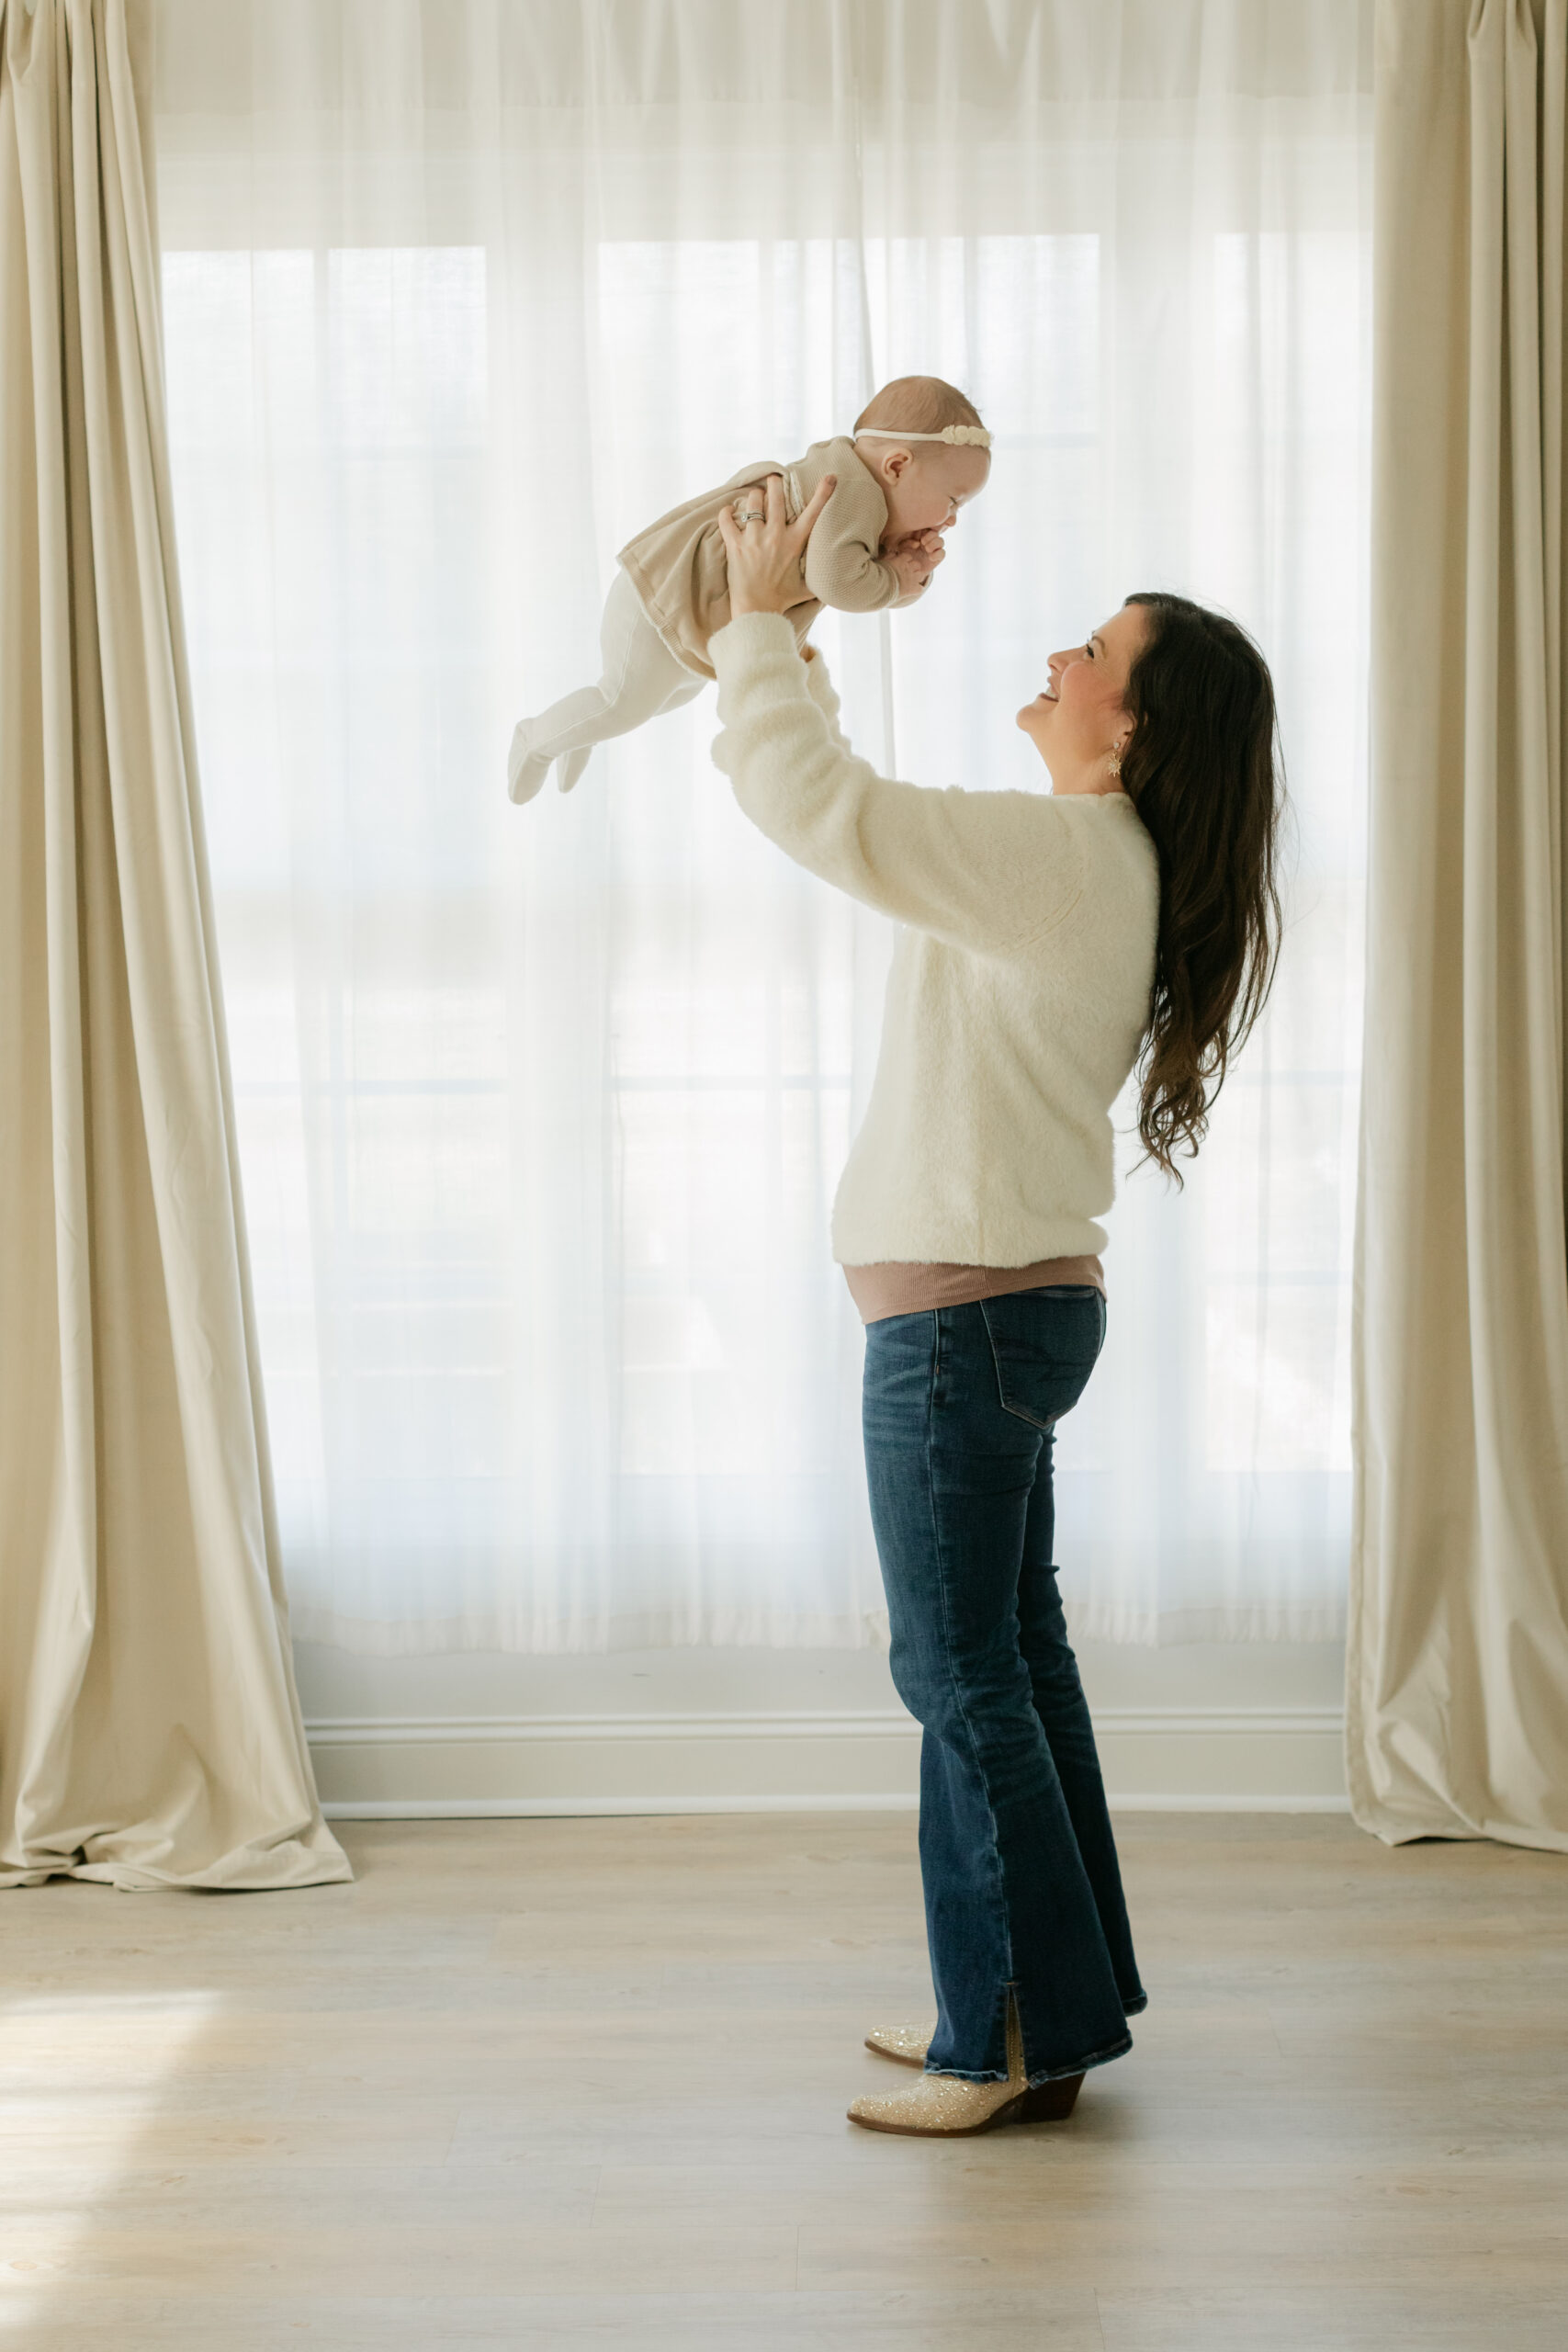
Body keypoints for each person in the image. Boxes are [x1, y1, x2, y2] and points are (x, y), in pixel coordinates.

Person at [707, 471, 1285, 2138]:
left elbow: (830, 818)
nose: (1059, 651)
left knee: (958, 1672)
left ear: (1138, 726)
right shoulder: (1070, 860)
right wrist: (788, 641)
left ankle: (1009, 2038)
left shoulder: (1065, 858)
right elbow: (863, 810)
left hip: (965, 1332)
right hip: (999, 1320)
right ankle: (1034, 2005)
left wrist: (757, 624)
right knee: (1006, 1664)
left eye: (1095, 648)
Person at [505, 376, 990, 802]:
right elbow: (840, 584)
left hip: (682, 606)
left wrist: (908, 570)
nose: (951, 519)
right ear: (898, 466)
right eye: (953, 500)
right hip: (659, 604)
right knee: (621, 702)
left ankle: (578, 732)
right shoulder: (852, 493)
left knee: (661, 699)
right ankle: (537, 739)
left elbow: (863, 581)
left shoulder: (854, 488)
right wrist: (900, 577)